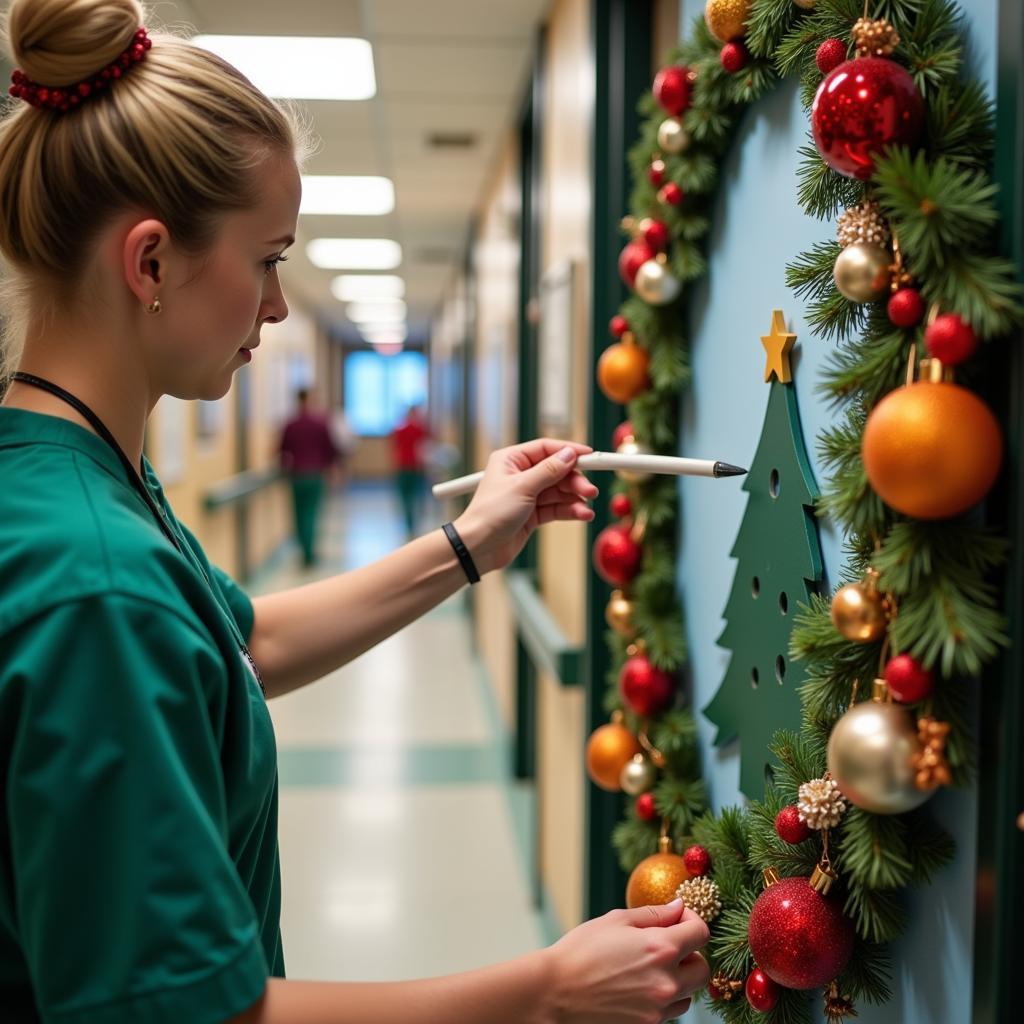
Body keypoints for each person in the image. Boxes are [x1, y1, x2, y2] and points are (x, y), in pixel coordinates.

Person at [0, 2, 710, 1023]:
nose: (278, 306)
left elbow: (242, 643)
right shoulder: (97, 584)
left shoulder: (66, 478)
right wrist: (544, 990)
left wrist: (473, 541)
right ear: (150, 261)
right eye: (268, 258)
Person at [278, 387, 340, 566]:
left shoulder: (290, 424)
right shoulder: (320, 423)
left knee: (298, 514)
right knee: (311, 513)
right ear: (311, 400)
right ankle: (309, 552)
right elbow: (330, 449)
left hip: (296, 475)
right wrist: (333, 469)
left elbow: (282, 450)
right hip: (315, 475)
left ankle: (304, 549)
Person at [391, 402, 430, 536]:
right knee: (414, 494)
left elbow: (394, 447)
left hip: (403, 465)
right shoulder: (420, 429)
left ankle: (409, 522)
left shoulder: (400, 429)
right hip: (414, 465)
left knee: (405, 495)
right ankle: (413, 522)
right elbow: (423, 448)